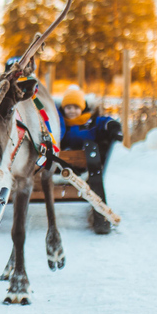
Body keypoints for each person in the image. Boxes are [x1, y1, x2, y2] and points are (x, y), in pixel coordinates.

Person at [58, 86, 123, 233]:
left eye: (76, 107)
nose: (72, 111)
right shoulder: (60, 123)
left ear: (82, 108)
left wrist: (115, 129)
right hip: (64, 165)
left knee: (92, 149)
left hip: (88, 163)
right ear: (63, 109)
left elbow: (107, 122)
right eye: (68, 107)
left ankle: (101, 218)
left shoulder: (91, 121)